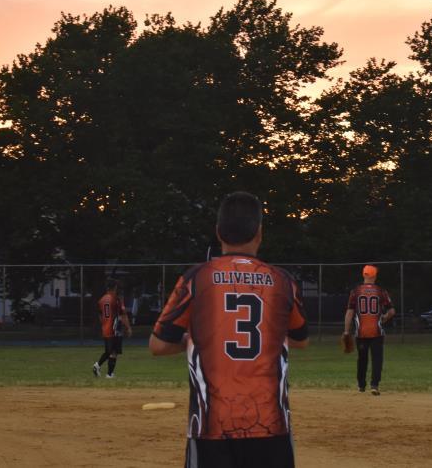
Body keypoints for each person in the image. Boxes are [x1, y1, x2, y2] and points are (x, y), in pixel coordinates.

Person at [149, 191, 308, 468]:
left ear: (218, 232)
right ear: (259, 232)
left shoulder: (197, 278)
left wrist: (193, 339)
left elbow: (158, 345)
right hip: (271, 424)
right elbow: (300, 339)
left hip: (211, 425)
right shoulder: (283, 281)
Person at [343, 265, 395, 395]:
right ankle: (374, 385)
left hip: (361, 332)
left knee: (362, 359)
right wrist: (384, 317)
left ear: (364, 275)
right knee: (377, 359)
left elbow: (349, 312)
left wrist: (346, 331)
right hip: (377, 332)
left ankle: (361, 385)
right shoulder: (381, 291)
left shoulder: (355, 291)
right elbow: (392, 311)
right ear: (375, 276)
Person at [92, 280, 132, 378]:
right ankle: (108, 374)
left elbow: (100, 314)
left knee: (109, 351)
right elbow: (123, 315)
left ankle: (100, 367)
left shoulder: (101, 300)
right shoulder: (116, 299)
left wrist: (104, 323)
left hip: (106, 328)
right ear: (115, 287)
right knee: (113, 352)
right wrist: (128, 327)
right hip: (114, 329)